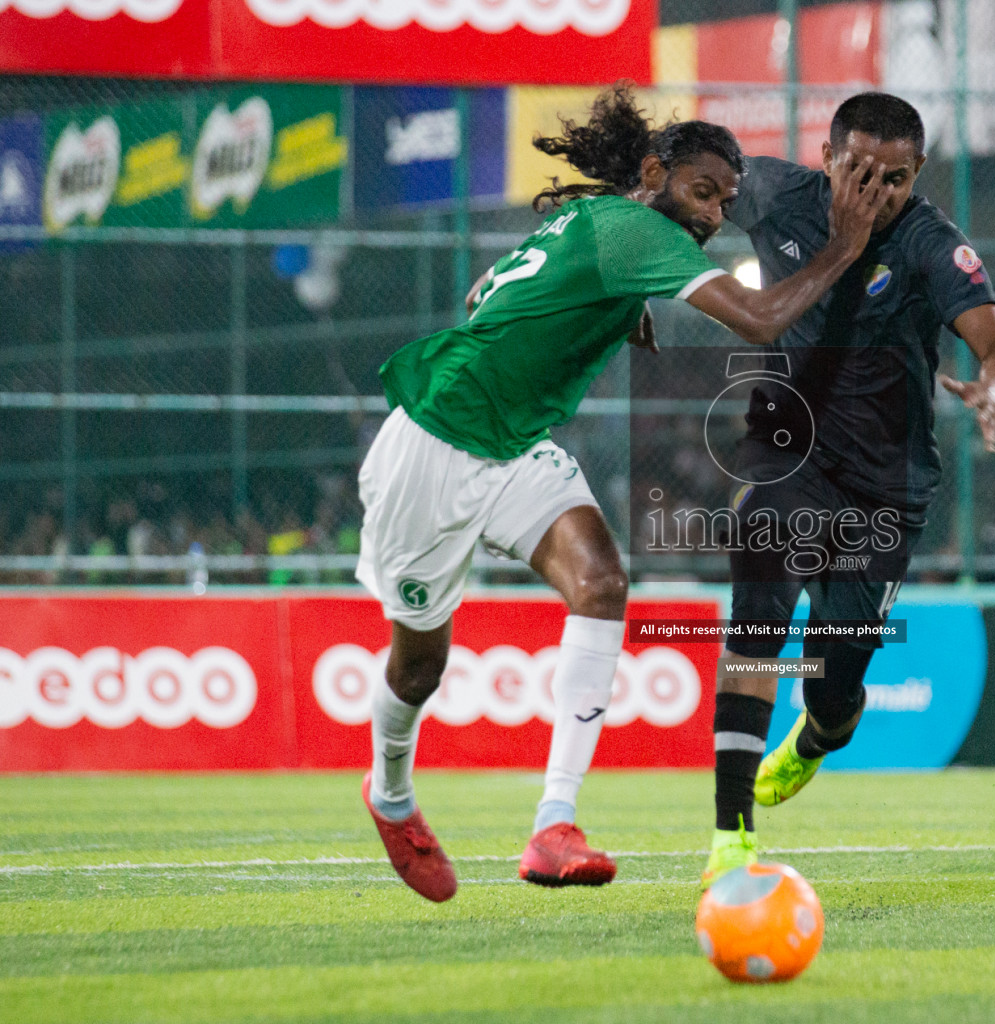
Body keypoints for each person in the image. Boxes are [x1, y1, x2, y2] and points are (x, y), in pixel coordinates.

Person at [356, 85, 893, 902]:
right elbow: (759, 319)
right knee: (420, 665)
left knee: (603, 583)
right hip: (435, 442)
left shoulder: (599, 223)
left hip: (514, 445)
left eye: (724, 201)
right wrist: (844, 247)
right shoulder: (635, 228)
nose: (714, 216)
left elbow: (484, 296)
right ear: (652, 173)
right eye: (701, 191)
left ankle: (553, 826)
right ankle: (390, 793)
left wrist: (617, 305)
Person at [703, 92, 995, 886]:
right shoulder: (774, 194)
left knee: (836, 686)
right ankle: (730, 837)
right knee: (759, 605)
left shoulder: (931, 244)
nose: (878, 191)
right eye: (862, 172)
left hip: (884, 490)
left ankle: (814, 736)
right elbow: (669, 199)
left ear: (918, 175)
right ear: (826, 156)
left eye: (897, 178)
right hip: (787, 456)